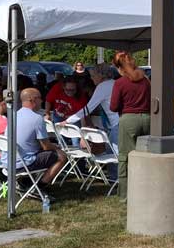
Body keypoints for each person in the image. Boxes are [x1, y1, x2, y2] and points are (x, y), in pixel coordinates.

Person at [109, 51, 152, 200]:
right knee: (147, 156)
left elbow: (113, 106)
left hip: (128, 120)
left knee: (124, 158)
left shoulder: (119, 83)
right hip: (147, 118)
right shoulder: (145, 80)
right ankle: (146, 190)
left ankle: (124, 195)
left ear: (118, 67)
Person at [11, 88, 65, 189]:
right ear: (33, 100)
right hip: (22, 163)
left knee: (40, 152)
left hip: (8, 161)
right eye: (40, 98)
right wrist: (57, 147)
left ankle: (26, 182)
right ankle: (39, 187)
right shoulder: (37, 118)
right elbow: (46, 147)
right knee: (61, 156)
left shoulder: (14, 115)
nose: (42, 101)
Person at [65, 63, 118, 148]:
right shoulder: (115, 83)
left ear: (101, 76)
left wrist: (68, 121)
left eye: (93, 75)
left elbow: (88, 109)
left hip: (116, 124)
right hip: (120, 121)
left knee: (114, 152)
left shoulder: (102, 86)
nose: (91, 78)